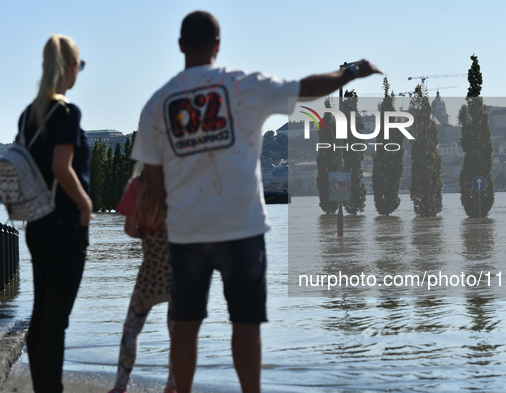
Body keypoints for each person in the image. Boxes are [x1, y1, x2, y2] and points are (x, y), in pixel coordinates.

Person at [131, 10, 382, 393]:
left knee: (185, 325)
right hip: (241, 227)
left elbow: (151, 177)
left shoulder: (157, 102)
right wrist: (349, 71)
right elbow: (306, 88)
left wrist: (173, 217)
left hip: (185, 233)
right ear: (218, 45)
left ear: (180, 46)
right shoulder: (242, 86)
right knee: (245, 325)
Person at [22, 34, 92, 393]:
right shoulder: (66, 111)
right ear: (70, 68)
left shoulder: (28, 114)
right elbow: (62, 167)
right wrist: (86, 205)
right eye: (80, 65)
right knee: (57, 319)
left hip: (36, 224)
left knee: (41, 314)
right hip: (65, 223)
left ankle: (42, 387)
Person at [109, 167, 176, 393]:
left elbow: (129, 229)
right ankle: (173, 385)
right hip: (179, 267)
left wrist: (146, 234)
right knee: (178, 331)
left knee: (132, 328)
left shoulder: (139, 184)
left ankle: (120, 386)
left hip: (151, 269)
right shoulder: (181, 181)